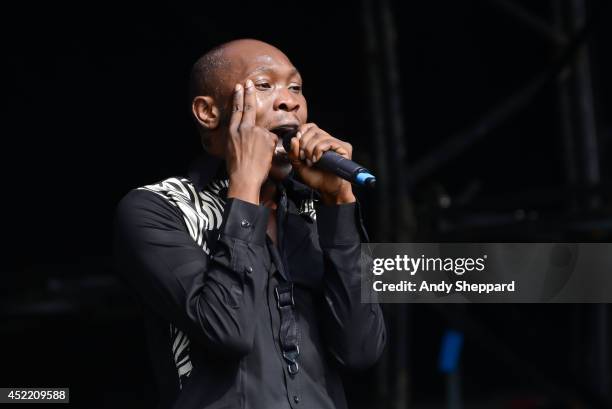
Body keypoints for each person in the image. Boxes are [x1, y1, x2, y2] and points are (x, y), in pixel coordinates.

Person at [113, 38, 386, 409]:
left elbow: (361, 350)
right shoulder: (159, 208)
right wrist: (244, 189)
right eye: (264, 85)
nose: (289, 100)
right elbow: (227, 332)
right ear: (208, 112)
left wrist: (338, 204)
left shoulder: (312, 212)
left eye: (295, 88)